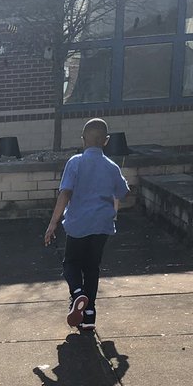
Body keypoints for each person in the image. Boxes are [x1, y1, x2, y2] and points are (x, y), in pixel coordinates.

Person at [43, 118, 130, 333]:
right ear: (106, 141)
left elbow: (65, 193)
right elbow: (123, 192)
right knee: (92, 268)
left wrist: (53, 224)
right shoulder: (111, 167)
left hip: (78, 223)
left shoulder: (75, 162)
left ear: (83, 140)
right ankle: (89, 314)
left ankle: (77, 292)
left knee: (71, 263)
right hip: (102, 225)